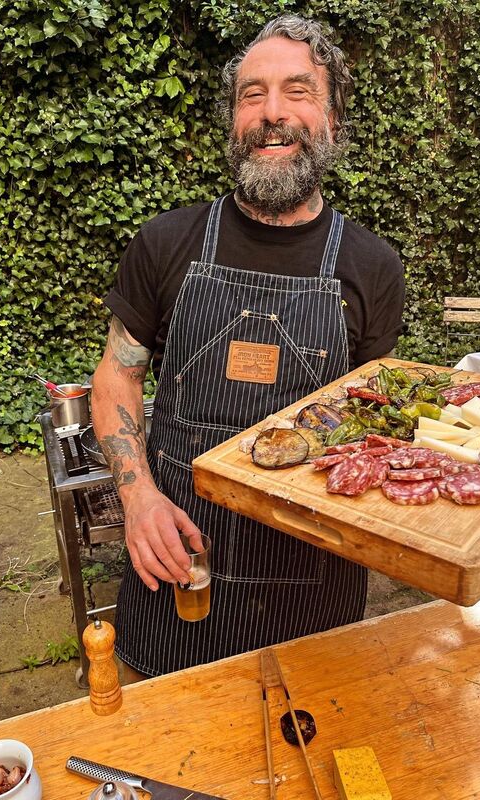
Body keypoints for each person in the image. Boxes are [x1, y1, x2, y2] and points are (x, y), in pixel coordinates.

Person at [92, 14, 405, 679]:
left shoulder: (373, 267)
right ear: (233, 119)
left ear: (332, 118)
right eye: (251, 94)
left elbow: (374, 422)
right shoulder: (165, 243)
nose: (271, 113)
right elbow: (117, 376)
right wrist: (138, 498)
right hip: (178, 569)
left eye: (298, 90)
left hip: (312, 583)